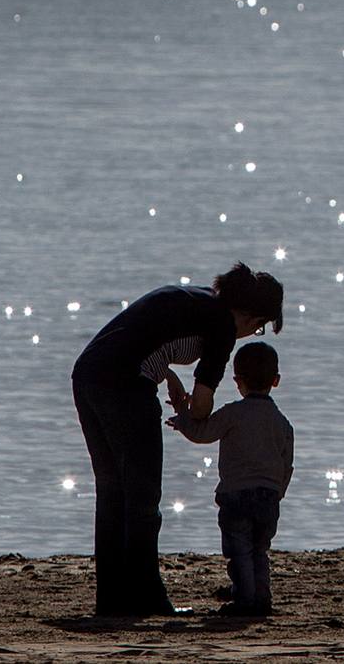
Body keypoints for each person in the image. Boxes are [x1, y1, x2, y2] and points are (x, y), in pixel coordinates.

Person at [70, 262, 284, 617]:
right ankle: (148, 597)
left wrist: (166, 374)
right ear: (250, 316)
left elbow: (142, 336)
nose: (252, 334)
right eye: (259, 327)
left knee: (112, 493)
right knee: (143, 498)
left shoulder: (199, 300)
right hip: (124, 386)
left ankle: (111, 599)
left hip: (88, 375)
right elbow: (202, 407)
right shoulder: (223, 327)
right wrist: (188, 412)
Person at [168, 342, 296, 617]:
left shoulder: (233, 413)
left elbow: (202, 433)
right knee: (259, 550)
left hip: (236, 495)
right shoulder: (282, 423)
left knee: (239, 551)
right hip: (268, 497)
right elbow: (287, 465)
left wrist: (182, 417)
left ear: (237, 381)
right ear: (276, 380)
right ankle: (261, 598)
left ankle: (245, 601)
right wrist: (278, 492)